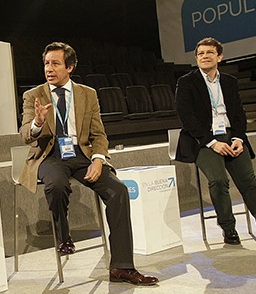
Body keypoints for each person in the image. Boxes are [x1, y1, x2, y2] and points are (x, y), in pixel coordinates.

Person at [18, 42, 158, 286]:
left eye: (55, 63)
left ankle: (122, 267)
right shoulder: (33, 96)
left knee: (119, 191)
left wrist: (98, 159)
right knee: (57, 185)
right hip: (50, 157)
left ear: (70, 67)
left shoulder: (87, 94)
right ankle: (63, 235)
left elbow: (99, 135)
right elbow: (25, 134)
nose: (49, 69)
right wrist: (38, 123)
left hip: (82, 156)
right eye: (46, 63)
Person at [175, 37, 256, 245]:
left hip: (231, 135)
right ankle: (229, 229)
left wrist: (238, 137)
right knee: (219, 180)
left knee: (249, 181)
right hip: (203, 140)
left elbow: (238, 113)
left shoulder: (229, 82)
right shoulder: (186, 82)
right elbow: (187, 118)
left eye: (209, 53)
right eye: (200, 53)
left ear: (219, 56)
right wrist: (212, 142)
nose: (204, 56)